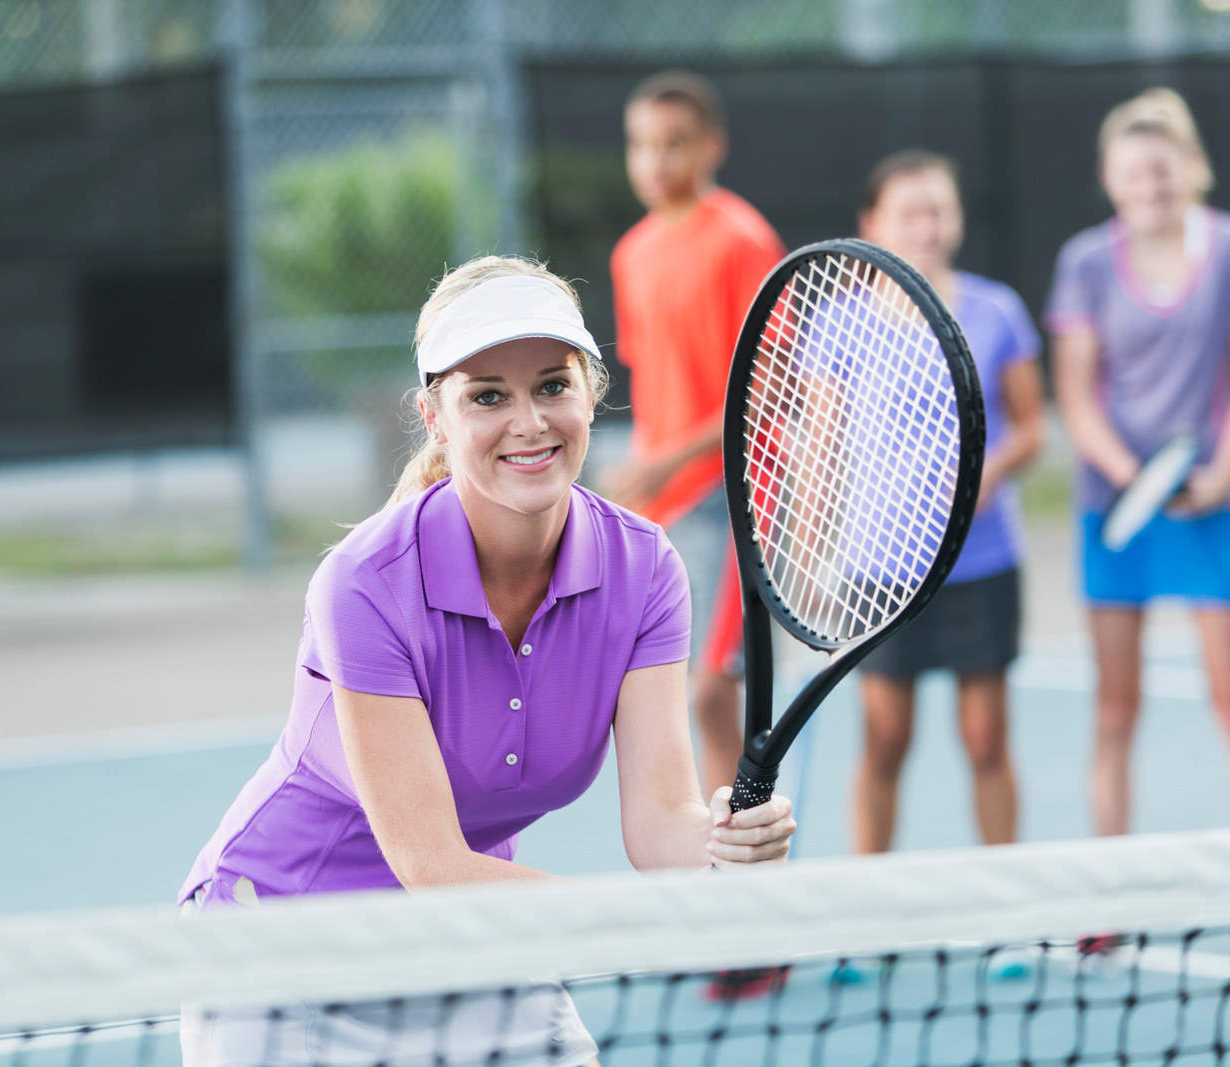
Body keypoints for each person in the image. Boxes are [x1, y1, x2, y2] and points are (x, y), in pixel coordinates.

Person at [178, 257, 796, 1067]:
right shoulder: (363, 584)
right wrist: (639, 921)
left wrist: (722, 843)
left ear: (591, 394)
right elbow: (430, 862)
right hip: (288, 947)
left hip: (472, 937)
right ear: (434, 416)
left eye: (552, 385)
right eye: (488, 396)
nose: (529, 422)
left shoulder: (646, 569)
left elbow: (658, 823)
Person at [1045, 90, 1230, 940]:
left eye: (1163, 168)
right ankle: (1110, 898)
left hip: (1213, 506)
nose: (1150, 184)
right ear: (1109, 179)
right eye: (1133, 171)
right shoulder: (1084, 261)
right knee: (1116, 709)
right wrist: (1136, 479)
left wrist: (1221, 472)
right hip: (1116, 513)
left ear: (1190, 170)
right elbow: (1076, 396)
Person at [848, 151, 1045, 853]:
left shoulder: (997, 311)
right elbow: (819, 451)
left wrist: (995, 469)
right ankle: (867, 900)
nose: (926, 226)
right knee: (885, 742)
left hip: (981, 562)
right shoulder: (838, 321)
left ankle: (1006, 897)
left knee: (986, 739)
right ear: (873, 224)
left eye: (938, 210)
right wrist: (806, 565)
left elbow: (1032, 429)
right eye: (910, 213)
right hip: (878, 572)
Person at [606, 70, 787, 797]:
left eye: (673, 143)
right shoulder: (631, 253)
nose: (654, 160)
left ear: (711, 146)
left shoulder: (742, 240)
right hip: (665, 502)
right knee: (678, 697)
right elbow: (654, 379)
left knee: (714, 692)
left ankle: (741, 844)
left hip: (735, 494)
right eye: (640, 144)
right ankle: (721, 842)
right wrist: (644, 468)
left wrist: (669, 461)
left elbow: (766, 392)